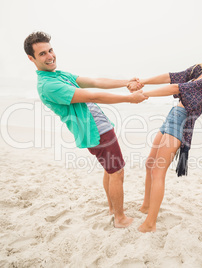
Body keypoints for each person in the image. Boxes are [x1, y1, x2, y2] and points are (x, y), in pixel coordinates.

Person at [24, 31, 147, 228]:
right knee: (117, 172)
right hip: (95, 130)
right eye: (42, 54)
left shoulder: (59, 75)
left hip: (99, 126)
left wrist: (125, 83)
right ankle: (120, 218)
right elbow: (93, 96)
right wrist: (130, 98)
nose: (50, 56)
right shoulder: (49, 85)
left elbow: (95, 82)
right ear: (31, 58)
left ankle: (113, 209)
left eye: (50, 50)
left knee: (110, 170)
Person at [128, 43, 202, 232]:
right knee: (150, 163)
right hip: (172, 115)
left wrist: (142, 94)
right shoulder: (200, 69)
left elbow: (176, 87)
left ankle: (150, 223)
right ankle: (146, 206)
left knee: (158, 171)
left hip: (181, 122)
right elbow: (172, 76)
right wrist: (143, 81)